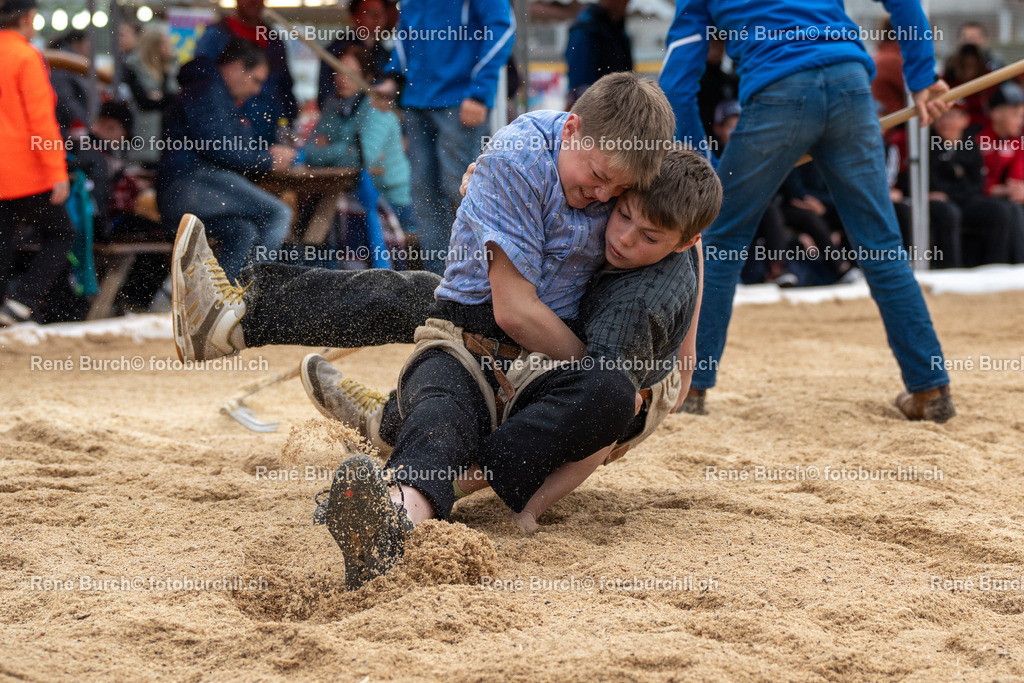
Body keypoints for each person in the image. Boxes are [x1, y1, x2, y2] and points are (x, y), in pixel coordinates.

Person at [170, 73, 678, 585]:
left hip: (562, 371)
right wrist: (497, 179)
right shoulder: (524, 157)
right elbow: (515, 312)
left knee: (600, 392)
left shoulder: (629, 170)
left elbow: (691, 224)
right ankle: (390, 506)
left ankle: (385, 420)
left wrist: (679, 355)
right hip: (486, 337)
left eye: (620, 191)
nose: (603, 196)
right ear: (570, 131)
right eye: (597, 176)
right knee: (425, 348)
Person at [304, 149, 719, 538]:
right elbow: (694, 253)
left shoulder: (636, 306)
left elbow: (609, 411)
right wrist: (491, 183)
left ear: (682, 240)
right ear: (621, 190)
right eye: (623, 214)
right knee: (445, 309)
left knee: (589, 393)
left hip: (621, 390)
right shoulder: (636, 198)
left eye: (647, 237)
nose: (626, 238)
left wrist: (531, 508)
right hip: (581, 356)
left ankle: (418, 457)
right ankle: (397, 422)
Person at [660, 0, 956, 423]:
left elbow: (677, 77)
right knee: (881, 247)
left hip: (777, 92)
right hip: (850, 84)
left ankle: (692, 390)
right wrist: (923, 76)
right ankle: (931, 388)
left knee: (718, 240)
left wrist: (696, 157)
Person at [375, 0, 514, 274]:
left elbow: (502, 29)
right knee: (424, 195)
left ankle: (482, 278)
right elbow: (406, 34)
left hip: (460, 101)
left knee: (462, 190)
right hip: (417, 102)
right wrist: (393, 77)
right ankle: (437, 281)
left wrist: (480, 92)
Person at [158, 37, 296, 282]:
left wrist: (264, 153)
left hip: (187, 188)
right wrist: (267, 160)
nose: (256, 90)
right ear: (236, 67)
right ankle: (251, 300)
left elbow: (228, 145)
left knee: (243, 231)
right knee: (277, 214)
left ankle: (219, 303)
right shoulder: (207, 90)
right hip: (187, 186)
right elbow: (218, 147)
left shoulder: (213, 92)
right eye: (255, 80)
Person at [0, 0, 75, 326]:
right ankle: (20, 303)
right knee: (63, 234)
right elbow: (41, 121)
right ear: (28, 18)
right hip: (22, 171)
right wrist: (57, 172)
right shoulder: (25, 55)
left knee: (2, 242)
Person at [305, 45, 412, 237]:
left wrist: (333, 149)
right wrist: (347, 149)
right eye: (338, 71)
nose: (341, 78)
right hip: (352, 194)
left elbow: (363, 158)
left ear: (367, 78)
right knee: (316, 216)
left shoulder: (377, 107)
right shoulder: (333, 104)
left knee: (328, 224)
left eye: (350, 73)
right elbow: (310, 152)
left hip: (389, 199)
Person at [193, 0, 296, 144]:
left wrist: (289, 123)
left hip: (268, 133)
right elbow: (201, 79)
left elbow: (285, 86)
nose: (253, 2)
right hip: (226, 131)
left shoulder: (274, 39)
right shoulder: (215, 35)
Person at [931, 103, 1019, 267]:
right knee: (949, 212)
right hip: (944, 202)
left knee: (1001, 210)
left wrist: (953, 193)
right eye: (940, 117)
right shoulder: (927, 146)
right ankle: (951, 269)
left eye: (951, 116)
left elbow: (978, 183)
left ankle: (997, 267)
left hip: (964, 199)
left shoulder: (970, 145)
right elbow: (931, 183)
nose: (944, 122)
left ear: (965, 120)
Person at [975, 83, 1024, 263]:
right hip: (977, 198)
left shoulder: (1016, 142)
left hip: (1002, 197)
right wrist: (1002, 190)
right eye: (1015, 115)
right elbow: (974, 184)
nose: (1021, 121)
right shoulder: (978, 140)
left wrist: (1018, 190)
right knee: (1008, 210)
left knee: (1015, 206)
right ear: (996, 114)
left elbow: (1016, 180)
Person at [316, 0, 391, 111]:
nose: (377, 17)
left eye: (381, 13)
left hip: (374, 114)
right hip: (343, 116)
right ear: (355, 17)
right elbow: (326, 93)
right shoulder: (337, 50)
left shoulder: (384, 54)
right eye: (370, 12)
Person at [123, 24, 178, 166]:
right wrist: (168, 97)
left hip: (170, 140)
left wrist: (162, 97)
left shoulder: (172, 68)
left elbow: (176, 98)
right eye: (165, 43)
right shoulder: (134, 67)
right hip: (145, 139)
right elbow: (145, 102)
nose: (169, 46)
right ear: (154, 46)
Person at [564, 0, 632, 108]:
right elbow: (580, 86)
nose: (627, 4)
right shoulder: (587, 28)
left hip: (615, 107)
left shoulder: (618, 31)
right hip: (595, 111)